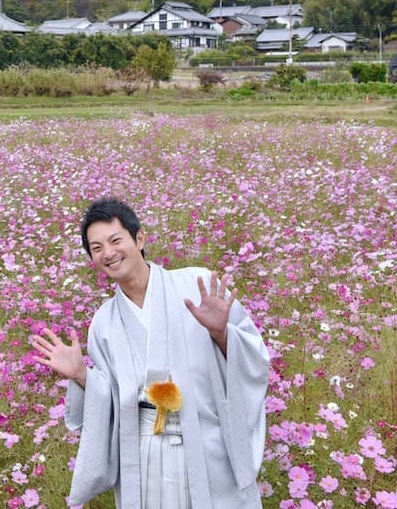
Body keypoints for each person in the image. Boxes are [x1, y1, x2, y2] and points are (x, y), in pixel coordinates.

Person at [32, 198, 269, 509]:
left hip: (207, 444)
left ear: (139, 238)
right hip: (144, 457)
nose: (109, 253)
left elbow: (254, 362)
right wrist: (81, 375)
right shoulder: (103, 322)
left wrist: (221, 333)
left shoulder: (195, 285)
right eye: (97, 247)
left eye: (116, 240)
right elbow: (113, 399)